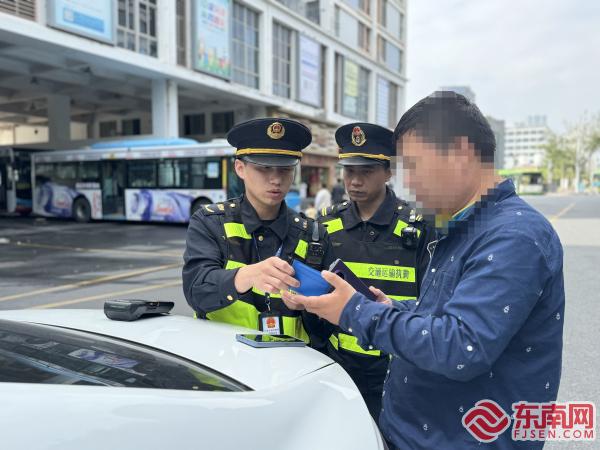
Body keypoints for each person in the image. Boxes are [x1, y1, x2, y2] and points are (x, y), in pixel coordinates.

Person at [282, 92, 565, 449]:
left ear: (461, 152)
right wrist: (392, 309)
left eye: (414, 167)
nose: (409, 184)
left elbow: (461, 346)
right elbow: (444, 315)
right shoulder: (463, 226)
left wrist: (354, 311)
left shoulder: (514, 236)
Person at [317, 122, 432, 419]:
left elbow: (433, 301)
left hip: (398, 368)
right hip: (339, 367)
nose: (355, 181)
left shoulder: (419, 226)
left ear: (388, 172)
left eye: (366, 171)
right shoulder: (326, 224)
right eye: (349, 171)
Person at [182, 118, 334, 343]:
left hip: (291, 359)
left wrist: (311, 308)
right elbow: (195, 291)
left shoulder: (313, 234)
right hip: (222, 358)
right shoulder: (210, 222)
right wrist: (244, 276)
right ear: (240, 168)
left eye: (285, 169)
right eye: (264, 168)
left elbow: (324, 329)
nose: (276, 179)